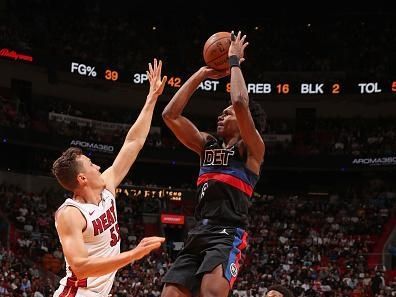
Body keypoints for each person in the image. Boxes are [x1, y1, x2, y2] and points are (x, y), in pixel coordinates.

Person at [161, 31, 266, 297]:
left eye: (226, 113)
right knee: (170, 294)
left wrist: (234, 63)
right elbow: (170, 115)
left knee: (211, 292)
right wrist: (200, 75)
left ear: (244, 122)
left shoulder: (252, 150)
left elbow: (241, 102)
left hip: (227, 232)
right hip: (199, 230)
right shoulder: (207, 144)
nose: (221, 114)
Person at [52, 59, 167, 297]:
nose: (98, 166)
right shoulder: (70, 214)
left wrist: (151, 98)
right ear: (82, 179)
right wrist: (133, 255)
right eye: (91, 165)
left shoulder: (107, 188)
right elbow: (80, 267)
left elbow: (133, 143)